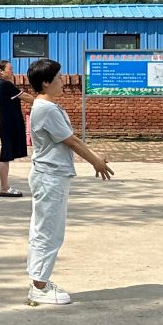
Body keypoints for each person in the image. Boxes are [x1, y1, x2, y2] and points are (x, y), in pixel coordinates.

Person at [24, 58, 114, 306]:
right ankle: (39, 287)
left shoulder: (45, 106)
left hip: (50, 175)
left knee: (43, 229)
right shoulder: (47, 109)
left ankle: (38, 280)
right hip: (50, 177)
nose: (64, 81)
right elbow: (71, 141)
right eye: (59, 78)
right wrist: (95, 160)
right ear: (46, 82)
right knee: (49, 232)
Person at [0, 59, 30, 197]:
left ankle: (5, 186)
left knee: (7, 155)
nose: (11, 71)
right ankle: (4, 188)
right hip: (8, 124)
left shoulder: (4, 84)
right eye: (9, 69)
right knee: (5, 155)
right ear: (1, 72)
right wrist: (42, 100)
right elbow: (24, 96)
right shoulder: (5, 85)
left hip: (9, 123)